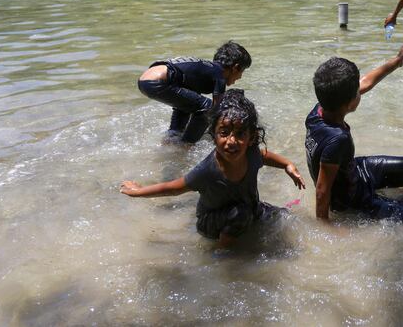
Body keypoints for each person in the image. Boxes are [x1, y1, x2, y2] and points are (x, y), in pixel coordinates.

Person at [121, 90, 306, 247]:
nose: (231, 141)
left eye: (240, 134)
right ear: (213, 135)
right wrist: (139, 192)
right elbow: (174, 188)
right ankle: (224, 254)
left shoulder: (251, 154)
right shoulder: (208, 171)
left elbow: (265, 156)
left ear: (252, 138)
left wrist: (288, 165)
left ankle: (245, 225)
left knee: (282, 216)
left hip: (247, 207)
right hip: (210, 223)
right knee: (242, 213)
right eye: (224, 133)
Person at [305, 48, 403, 223]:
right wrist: (325, 225)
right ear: (348, 103)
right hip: (351, 200)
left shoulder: (320, 109)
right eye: (358, 91)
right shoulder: (338, 140)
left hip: (358, 172)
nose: (361, 89)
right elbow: (322, 190)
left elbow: (366, 81)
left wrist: (395, 63)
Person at [138, 41, 251, 144]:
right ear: (236, 68)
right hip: (159, 81)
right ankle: (187, 144)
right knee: (206, 106)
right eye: (242, 72)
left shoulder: (205, 70)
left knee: (187, 106)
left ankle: (173, 136)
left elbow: (183, 104)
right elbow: (216, 109)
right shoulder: (219, 73)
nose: (240, 77)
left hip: (146, 80)